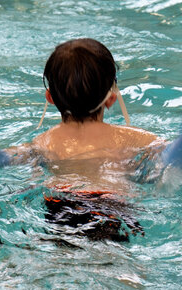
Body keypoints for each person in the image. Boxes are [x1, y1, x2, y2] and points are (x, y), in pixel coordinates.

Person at [13, 38, 164, 241]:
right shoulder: (134, 138)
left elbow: (3, 159)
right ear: (111, 98)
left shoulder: (43, 142)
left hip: (61, 205)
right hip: (112, 206)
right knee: (116, 264)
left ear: (50, 97)